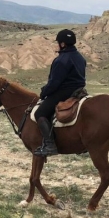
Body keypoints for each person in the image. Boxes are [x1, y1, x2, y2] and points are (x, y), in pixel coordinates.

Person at [34, 28, 86, 157]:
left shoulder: (61, 60)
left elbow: (54, 83)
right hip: (79, 91)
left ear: (62, 44)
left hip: (64, 92)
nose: (58, 44)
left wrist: (44, 93)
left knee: (40, 113)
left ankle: (50, 145)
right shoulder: (80, 57)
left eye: (59, 42)